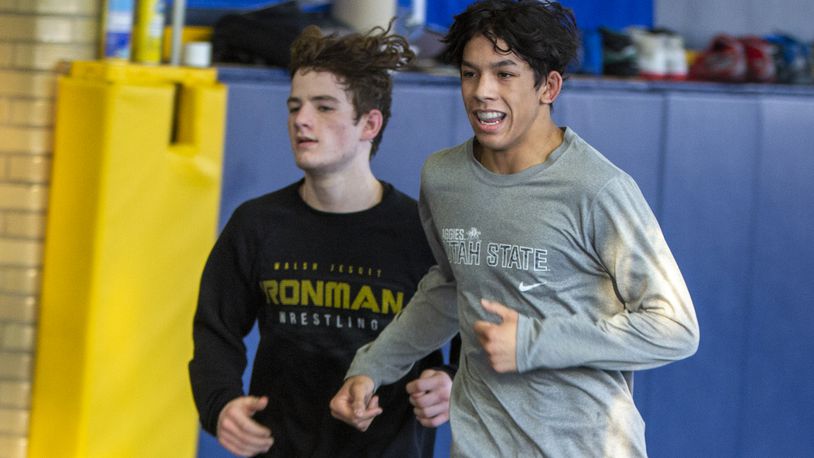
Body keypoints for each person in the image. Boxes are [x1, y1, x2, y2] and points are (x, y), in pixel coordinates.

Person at [330, 1, 700, 456]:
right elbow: (449, 288)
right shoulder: (444, 178)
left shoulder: (599, 189)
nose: (482, 91)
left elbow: (675, 327)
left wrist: (535, 342)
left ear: (549, 86)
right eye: (470, 74)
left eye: (504, 74)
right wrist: (373, 367)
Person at [189, 23, 459, 457]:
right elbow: (214, 332)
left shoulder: (421, 232)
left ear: (369, 123)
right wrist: (219, 404)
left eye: (324, 107)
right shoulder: (256, 224)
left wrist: (450, 381)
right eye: (294, 106)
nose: (302, 119)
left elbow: (470, 339)